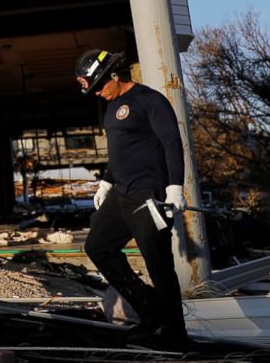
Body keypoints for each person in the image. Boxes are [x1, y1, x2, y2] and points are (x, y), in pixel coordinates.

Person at [75, 49, 189, 349]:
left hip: (148, 195)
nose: (99, 93)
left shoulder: (149, 101)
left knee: (159, 265)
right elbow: (121, 151)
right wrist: (106, 182)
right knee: (97, 247)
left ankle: (175, 335)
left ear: (114, 75)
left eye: (100, 86)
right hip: (121, 193)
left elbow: (171, 143)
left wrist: (176, 186)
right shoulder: (111, 107)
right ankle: (150, 311)